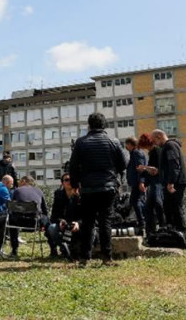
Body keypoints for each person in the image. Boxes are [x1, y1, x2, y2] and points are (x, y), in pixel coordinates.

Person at [69, 113, 127, 266]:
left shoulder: (81, 142)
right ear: (104, 125)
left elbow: (73, 166)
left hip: (88, 188)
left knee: (88, 223)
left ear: (89, 125)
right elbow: (123, 164)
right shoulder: (113, 141)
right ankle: (107, 258)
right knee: (105, 222)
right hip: (108, 187)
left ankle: (85, 258)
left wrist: (75, 185)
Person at [151, 129, 186, 234]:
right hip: (172, 182)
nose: (154, 143)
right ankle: (172, 231)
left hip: (175, 183)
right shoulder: (167, 147)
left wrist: (171, 182)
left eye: (154, 140)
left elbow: (174, 165)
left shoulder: (170, 146)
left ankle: (181, 232)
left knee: (175, 208)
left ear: (159, 136)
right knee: (168, 207)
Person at [9, 175, 49, 258]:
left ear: (24, 181)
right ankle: (53, 249)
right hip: (35, 222)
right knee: (47, 219)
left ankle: (14, 249)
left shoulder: (17, 190)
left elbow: (13, 207)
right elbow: (45, 210)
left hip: (19, 222)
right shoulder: (39, 191)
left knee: (11, 219)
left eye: (20, 181)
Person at [46, 173, 82, 259]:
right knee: (52, 228)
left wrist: (78, 223)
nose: (69, 182)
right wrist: (60, 221)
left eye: (71, 180)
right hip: (65, 223)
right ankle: (65, 247)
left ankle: (75, 249)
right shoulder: (58, 195)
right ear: (62, 183)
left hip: (79, 224)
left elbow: (87, 215)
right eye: (66, 180)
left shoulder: (81, 195)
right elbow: (54, 214)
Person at [137, 133, 166, 234]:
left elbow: (156, 170)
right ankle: (151, 232)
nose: (145, 149)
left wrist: (144, 168)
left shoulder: (156, 151)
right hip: (154, 183)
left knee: (158, 206)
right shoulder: (152, 152)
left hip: (158, 183)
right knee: (149, 208)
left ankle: (162, 228)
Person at [124, 137, 147, 231]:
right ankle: (143, 220)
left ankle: (142, 222)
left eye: (127, 144)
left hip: (138, 182)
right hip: (136, 182)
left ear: (130, 144)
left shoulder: (137, 153)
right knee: (136, 201)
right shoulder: (134, 153)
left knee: (135, 201)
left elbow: (140, 168)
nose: (126, 147)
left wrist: (141, 182)